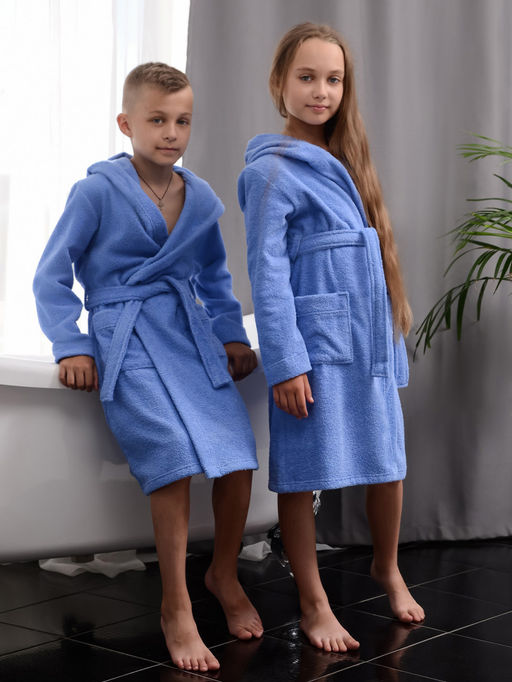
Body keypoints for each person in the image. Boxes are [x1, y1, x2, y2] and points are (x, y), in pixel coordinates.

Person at [33, 62, 263, 673]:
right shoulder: (96, 192)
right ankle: (175, 605)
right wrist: (71, 345)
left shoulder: (200, 198)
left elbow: (215, 278)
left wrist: (231, 335)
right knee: (172, 458)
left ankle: (222, 573)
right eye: (157, 120)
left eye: (182, 121)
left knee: (238, 455)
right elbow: (51, 275)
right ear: (126, 122)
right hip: (126, 335)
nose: (171, 132)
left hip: (188, 334)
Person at [238, 23, 425, 653]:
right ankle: (314, 603)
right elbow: (266, 274)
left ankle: (386, 568)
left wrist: (390, 344)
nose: (321, 91)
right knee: (302, 475)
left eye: (334, 80)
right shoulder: (270, 171)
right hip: (315, 348)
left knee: (388, 464)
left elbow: (371, 264)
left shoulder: (347, 159)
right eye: (307, 77)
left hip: (365, 342)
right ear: (279, 84)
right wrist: (287, 363)